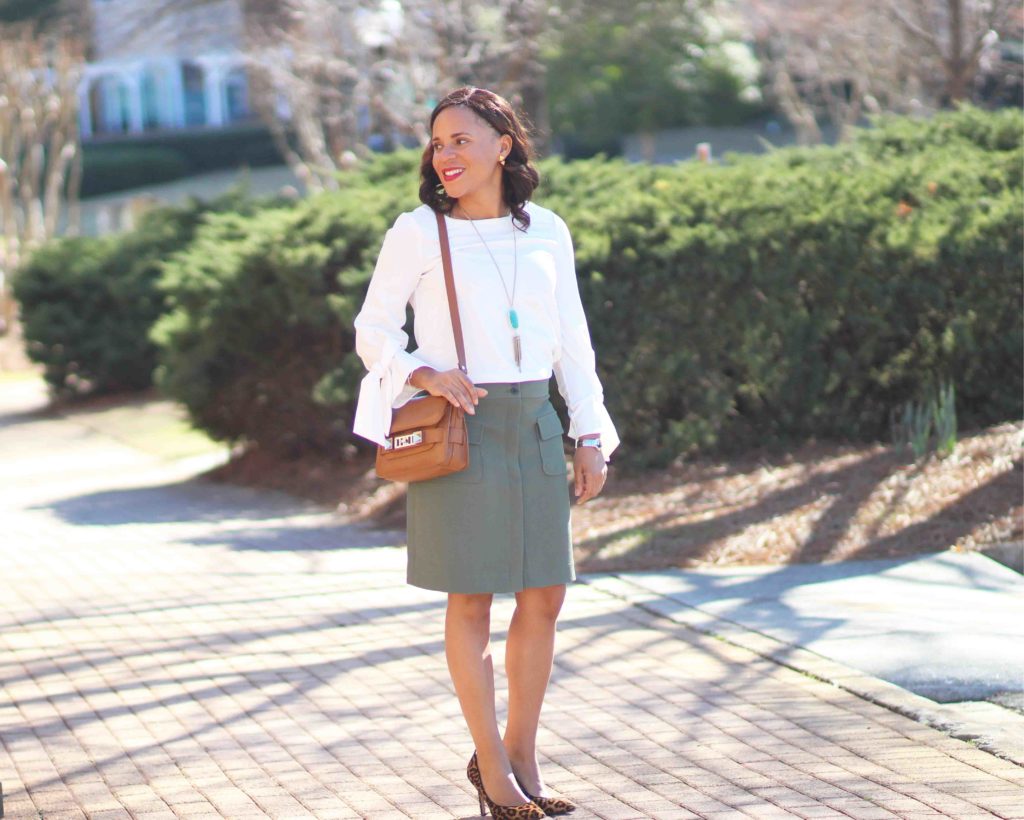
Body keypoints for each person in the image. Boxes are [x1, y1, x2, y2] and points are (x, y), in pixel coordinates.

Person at [352, 86, 619, 819]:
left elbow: (572, 340)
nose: (446, 156)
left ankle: (519, 751)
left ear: (504, 145)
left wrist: (589, 432)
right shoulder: (417, 231)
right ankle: (493, 771)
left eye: (461, 140)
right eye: (437, 144)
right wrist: (422, 371)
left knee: (545, 596)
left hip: (534, 419)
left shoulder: (548, 232)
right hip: (459, 429)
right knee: (470, 599)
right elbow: (372, 329)